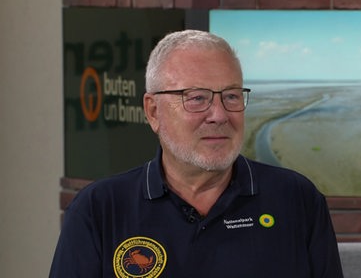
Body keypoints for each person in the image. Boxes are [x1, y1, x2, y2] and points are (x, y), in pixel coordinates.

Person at [50, 30, 343, 278]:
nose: (219, 115)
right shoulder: (99, 210)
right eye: (197, 98)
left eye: (230, 96)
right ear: (153, 111)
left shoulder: (297, 199)